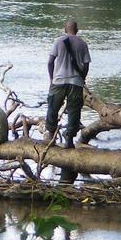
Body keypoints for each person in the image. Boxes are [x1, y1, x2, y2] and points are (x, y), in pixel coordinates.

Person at [46, 18, 91, 148]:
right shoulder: (83, 44)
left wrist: (51, 79)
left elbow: (50, 62)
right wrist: (82, 78)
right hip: (76, 82)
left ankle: (51, 135)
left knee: (53, 108)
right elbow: (86, 65)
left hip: (58, 81)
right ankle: (69, 139)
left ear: (65, 29)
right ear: (77, 30)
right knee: (74, 111)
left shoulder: (58, 41)